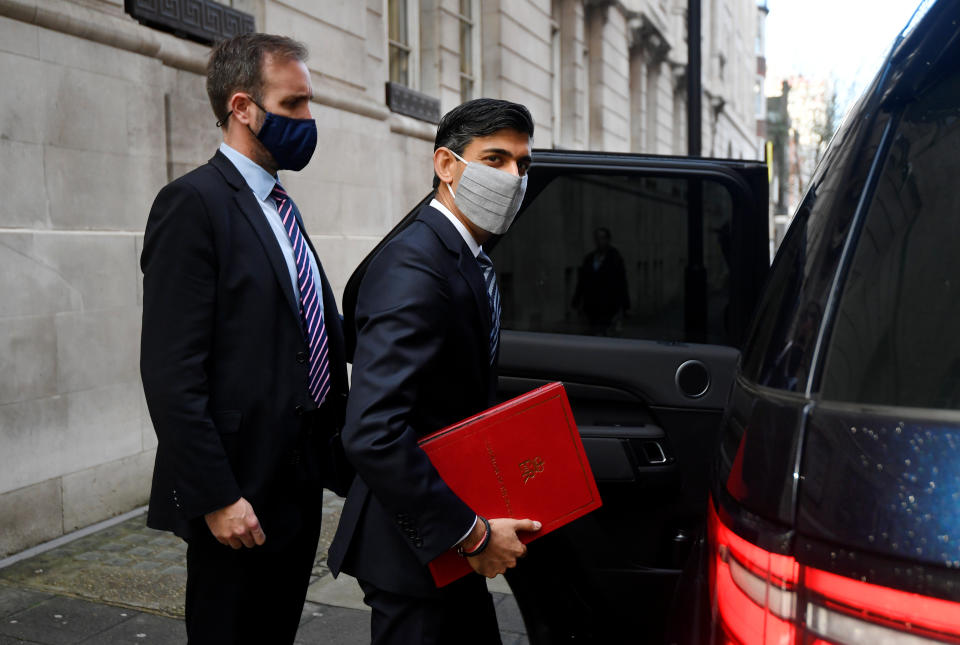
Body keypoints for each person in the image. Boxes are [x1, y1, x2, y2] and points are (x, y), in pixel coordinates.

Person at [139, 33, 349, 644]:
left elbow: (306, 327)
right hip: (237, 494)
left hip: (297, 480)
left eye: (309, 104)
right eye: (294, 106)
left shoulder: (281, 206)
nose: (308, 121)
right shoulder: (192, 204)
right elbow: (171, 371)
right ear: (242, 107)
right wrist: (216, 496)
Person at [327, 98, 541, 644]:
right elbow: (373, 431)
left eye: (522, 163)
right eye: (494, 159)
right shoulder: (416, 263)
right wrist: (469, 534)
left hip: (443, 542)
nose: (513, 177)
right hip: (415, 549)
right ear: (447, 166)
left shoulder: (460, 253)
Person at [571, 227, 630, 335]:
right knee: (592, 334)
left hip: (608, 305)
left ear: (608, 240)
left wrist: (624, 307)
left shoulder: (615, 258)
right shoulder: (589, 259)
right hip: (591, 306)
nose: (599, 241)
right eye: (597, 238)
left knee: (605, 334)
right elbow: (582, 282)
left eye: (602, 238)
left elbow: (622, 282)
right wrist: (576, 301)